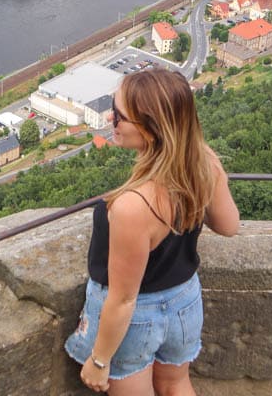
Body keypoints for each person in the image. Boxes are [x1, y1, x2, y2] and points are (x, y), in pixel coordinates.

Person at [64, 68, 240, 394]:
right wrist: (212, 180)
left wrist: (100, 361)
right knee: (176, 384)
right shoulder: (201, 164)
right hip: (185, 301)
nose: (109, 118)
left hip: (139, 316)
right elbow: (229, 226)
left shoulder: (134, 205)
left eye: (119, 116)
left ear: (152, 129)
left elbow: (123, 298)